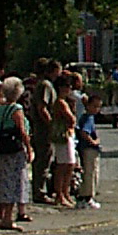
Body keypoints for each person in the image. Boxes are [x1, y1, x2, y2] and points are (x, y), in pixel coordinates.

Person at [0, 77, 33, 231]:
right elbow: (21, 130)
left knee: (1, 181)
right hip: (14, 150)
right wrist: (29, 148)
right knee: (13, 182)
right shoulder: (16, 109)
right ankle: (8, 218)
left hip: (0, 148)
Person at [30, 58, 60, 203]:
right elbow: (42, 108)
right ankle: (39, 192)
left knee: (46, 159)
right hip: (43, 129)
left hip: (42, 128)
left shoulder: (44, 84)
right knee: (43, 159)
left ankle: (42, 189)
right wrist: (51, 124)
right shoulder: (45, 85)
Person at [50, 72, 78, 208]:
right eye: (67, 87)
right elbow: (71, 119)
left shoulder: (64, 102)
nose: (69, 90)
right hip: (63, 135)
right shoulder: (60, 103)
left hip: (67, 134)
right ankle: (60, 194)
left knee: (70, 164)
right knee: (63, 165)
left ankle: (65, 192)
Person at [76, 91, 103, 208]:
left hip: (88, 149)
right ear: (87, 105)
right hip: (89, 149)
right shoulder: (88, 118)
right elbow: (84, 132)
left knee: (91, 172)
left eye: (98, 107)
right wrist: (94, 142)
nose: (96, 109)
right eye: (94, 106)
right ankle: (87, 197)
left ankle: (85, 196)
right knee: (90, 173)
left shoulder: (88, 117)